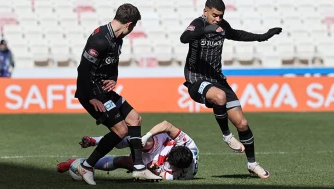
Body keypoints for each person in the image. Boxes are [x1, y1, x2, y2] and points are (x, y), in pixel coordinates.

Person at [180, 0, 282, 179]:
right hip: (196, 79)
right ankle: (227, 136)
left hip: (218, 79)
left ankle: (252, 164)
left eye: (221, 16)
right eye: (214, 15)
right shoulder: (198, 24)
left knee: (242, 123)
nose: (218, 19)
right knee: (219, 97)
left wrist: (263, 36)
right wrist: (204, 31)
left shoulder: (222, 25)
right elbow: (184, 38)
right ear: (205, 11)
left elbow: (238, 34)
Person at [74, 3, 161, 185]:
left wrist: (114, 78)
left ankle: (139, 168)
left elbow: (113, 64)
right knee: (121, 130)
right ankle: (87, 166)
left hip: (104, 90)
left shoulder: (117, 38)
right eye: (134, 26)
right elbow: (83, 70)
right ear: (129, 24)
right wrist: (91, 97)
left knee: (135, 119)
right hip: (91, 92)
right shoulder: (100, 40)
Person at [57, 121, 199, 180]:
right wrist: (148, 136)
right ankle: (95, 141)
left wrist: (151, 168)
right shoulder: (190, 146)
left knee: (124, 161)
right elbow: (167, 125)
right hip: (161, 143)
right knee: (144, 142)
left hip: (154, 162)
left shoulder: (179, 175)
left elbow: (157, 174)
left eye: (170, 161)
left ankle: (79, 163)